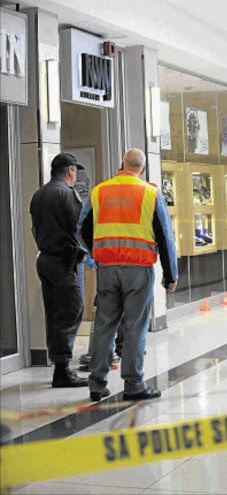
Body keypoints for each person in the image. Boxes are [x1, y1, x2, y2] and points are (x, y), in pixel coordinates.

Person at [80, 148, 178, 402]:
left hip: (107, 268)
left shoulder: (99, 191)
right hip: (138, 269)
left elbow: (82, 227)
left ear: (121, 164)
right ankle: (134, 384)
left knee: (104, 325)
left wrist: (95, 254)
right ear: (142, 170)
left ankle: (97, 384)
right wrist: (170, 275)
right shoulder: (150, 193)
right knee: (135, 327)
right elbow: (165, 236)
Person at [30, 153, 88, 387]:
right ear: (70, 171)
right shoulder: (67, 194)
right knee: (71, 310)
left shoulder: (39, 194)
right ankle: (62, 371)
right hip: (65, 262)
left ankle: (58, 363)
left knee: (54, 313)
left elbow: (35, 229)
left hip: (45, 259)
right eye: (75, 171)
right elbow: (78, 229)